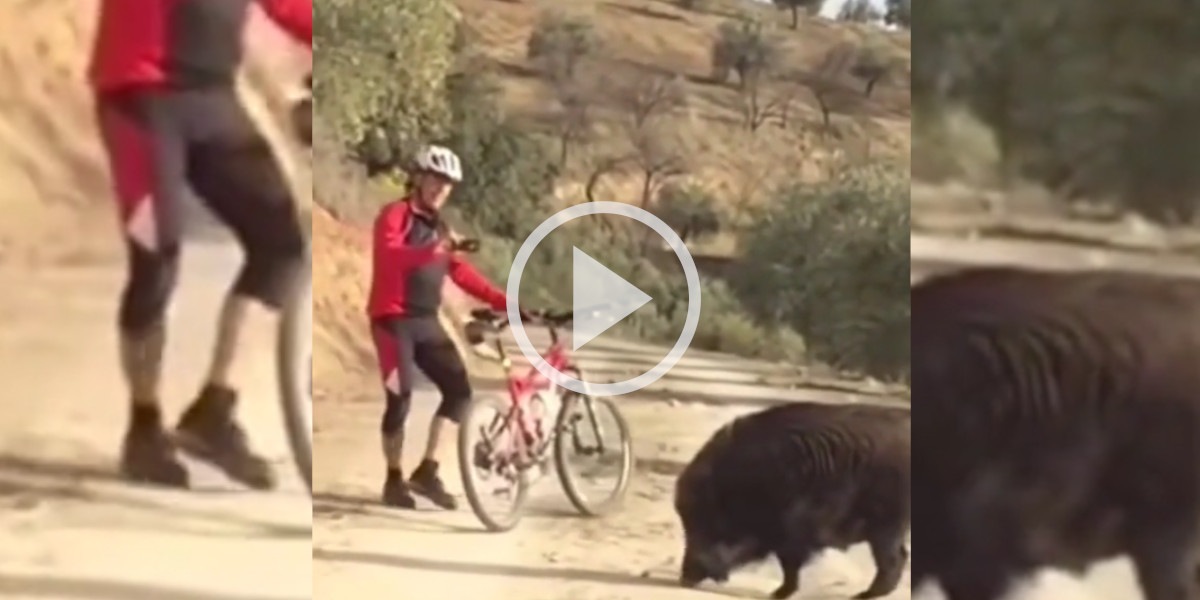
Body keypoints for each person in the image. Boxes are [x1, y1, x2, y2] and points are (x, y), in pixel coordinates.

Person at [89, 0, 312, 490]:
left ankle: (215, 409)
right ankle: (144, 425)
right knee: (156, 255)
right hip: (140, 96)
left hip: (212, 99)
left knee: (283, 244)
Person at [368, 145, 529, 509]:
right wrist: (435, 250)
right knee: (400, 398)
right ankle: (393, 480)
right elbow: (391, 255)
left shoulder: (440, 227)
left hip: (426, 321)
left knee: (459, 391)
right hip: (392, 321)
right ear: (420, 178)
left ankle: (427, 471)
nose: (442, 188)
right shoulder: (395, 215)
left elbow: (460, 273)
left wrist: (509, 303)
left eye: (449, 184)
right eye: (437, 179)